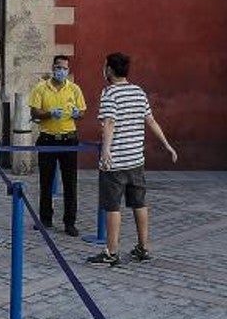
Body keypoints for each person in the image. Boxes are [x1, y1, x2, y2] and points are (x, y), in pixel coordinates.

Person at [87, 52, 178, 268]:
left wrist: (106, 151)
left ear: (109, 69)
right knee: (139, 203)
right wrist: (166, 144)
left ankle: (111, 252)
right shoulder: (138, 92)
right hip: (136, 160)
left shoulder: (109, 93)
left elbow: (109, 122)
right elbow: (151, 120)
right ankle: (143, 248)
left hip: (116, 162)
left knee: (112, 207)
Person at [28, 55, 86, 236]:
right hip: (47, 139)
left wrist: (78, 114)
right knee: (45, 181)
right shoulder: (40, 88)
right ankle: (45, 219)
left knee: (70, 183)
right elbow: (34, 111)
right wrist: (49, 114)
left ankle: (70, 222)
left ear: (68, 71)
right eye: (59, 68)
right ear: (53, 68)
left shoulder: (74, 89)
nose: (61, 71)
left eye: (65, 69)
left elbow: (82, 111)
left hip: (69, 139)